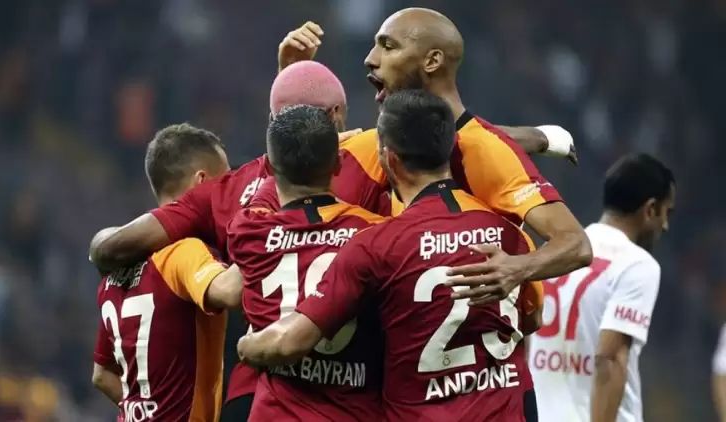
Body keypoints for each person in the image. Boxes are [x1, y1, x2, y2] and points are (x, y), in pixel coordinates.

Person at [238, 90, 541, 422]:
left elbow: (291, 343)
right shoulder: (513, 236)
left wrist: (247, 346)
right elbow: (532, 321)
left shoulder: (377, 244)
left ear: (389, 159)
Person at [276, 11, 592, 303]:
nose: (370, 59)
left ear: (432, 61)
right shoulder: (376, 144)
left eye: (388, 46)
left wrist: (517, 268)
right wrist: (290, 80)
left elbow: (575, 244)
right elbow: (287, 173)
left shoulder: (489, 153)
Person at [227, 104, 388, 421]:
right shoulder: (374, 233)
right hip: (353, 413)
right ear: (338, 164)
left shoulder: (247, 232)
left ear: (270, 168)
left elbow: (261, 200)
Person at [91, 124, 244, 421]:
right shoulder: (184, 252)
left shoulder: (114, 270)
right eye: (226, 181)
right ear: (202, 182)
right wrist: (261, 232)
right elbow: (230, 290)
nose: (232, 193)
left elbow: (101, 374)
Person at [528, 153, 675, 422]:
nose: (665, 226)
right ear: (651, 209)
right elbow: (609, 357)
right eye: (667, 213)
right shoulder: (637, 264)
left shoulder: (556, 251)